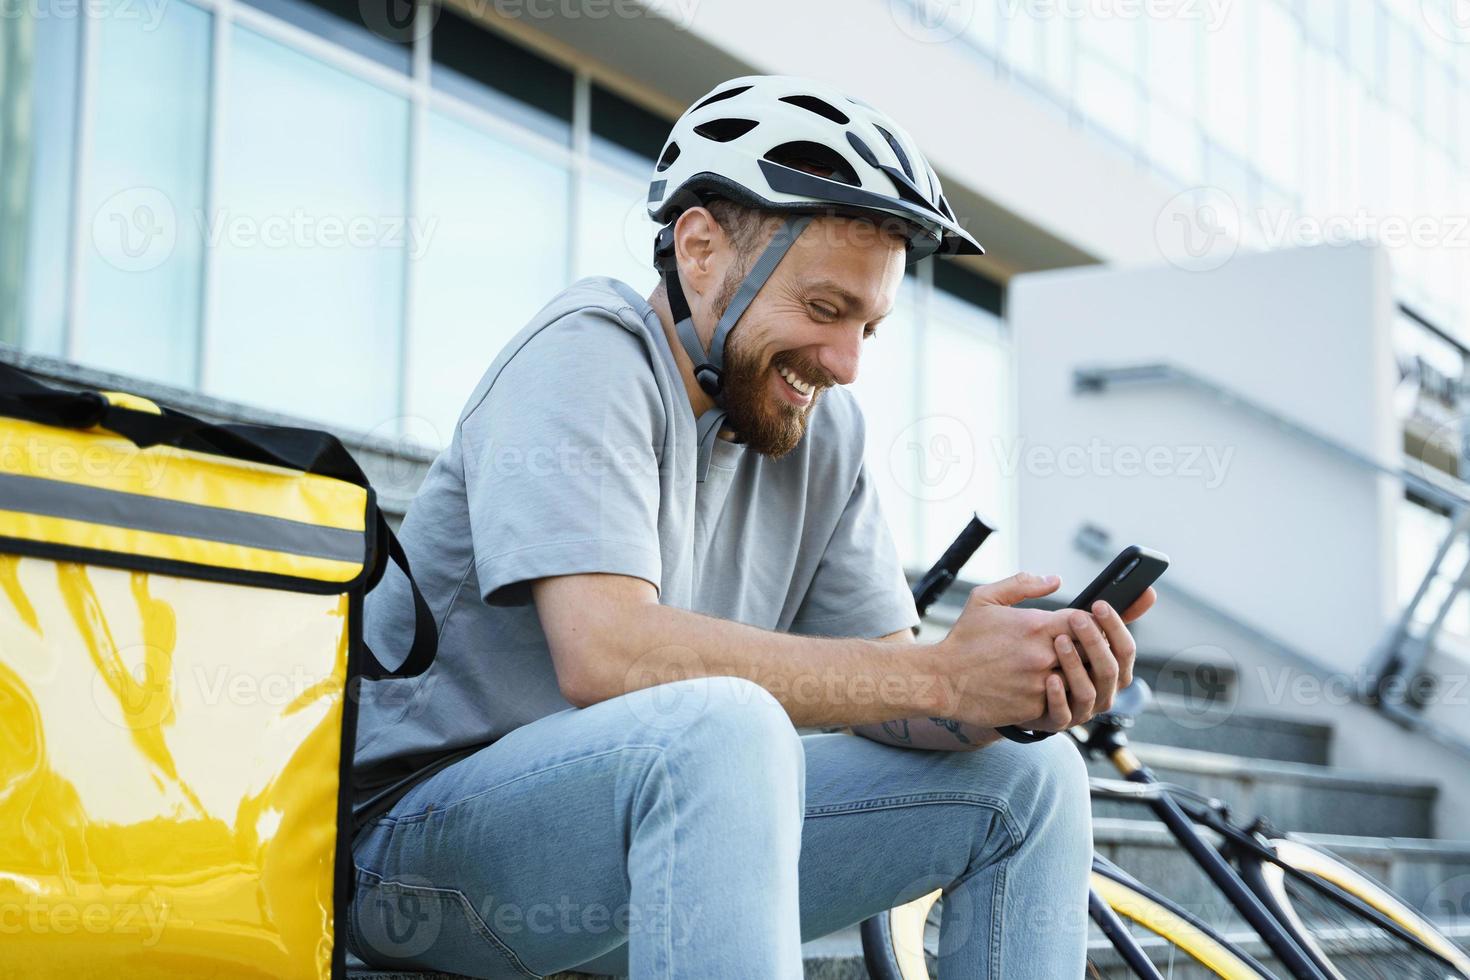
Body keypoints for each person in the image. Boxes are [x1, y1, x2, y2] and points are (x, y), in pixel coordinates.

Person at [348, 75, 1155, 979]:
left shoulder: (819, 430)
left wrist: (1000, 690)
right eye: (822, 310)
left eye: (869, 327)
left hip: (664, 836)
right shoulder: (584, 351)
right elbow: (606, 653)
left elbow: (892, 694)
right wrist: (937, 671)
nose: (846, 363)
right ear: (699, 251)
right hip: (412, 854)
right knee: (723, 727)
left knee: (1029, 782)